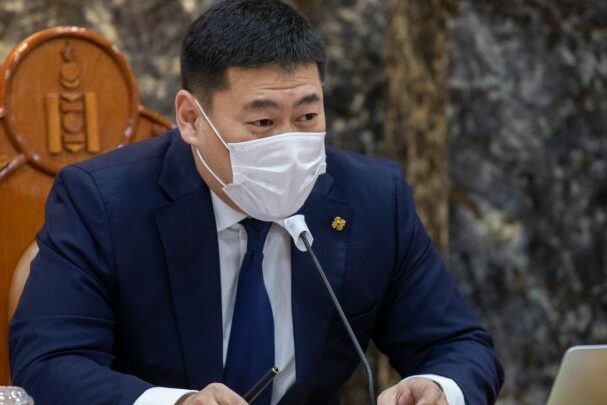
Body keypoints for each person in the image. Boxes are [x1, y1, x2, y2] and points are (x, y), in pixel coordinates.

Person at [9, 0, 503, 404]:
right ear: (190, 119)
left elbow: (456, 344)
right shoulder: (102, 200)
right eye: (262, 123)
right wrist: (175, 403)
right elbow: (52, 360)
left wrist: (441, 388)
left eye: (307, 117)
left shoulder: (373, 197)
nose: (289, 144)